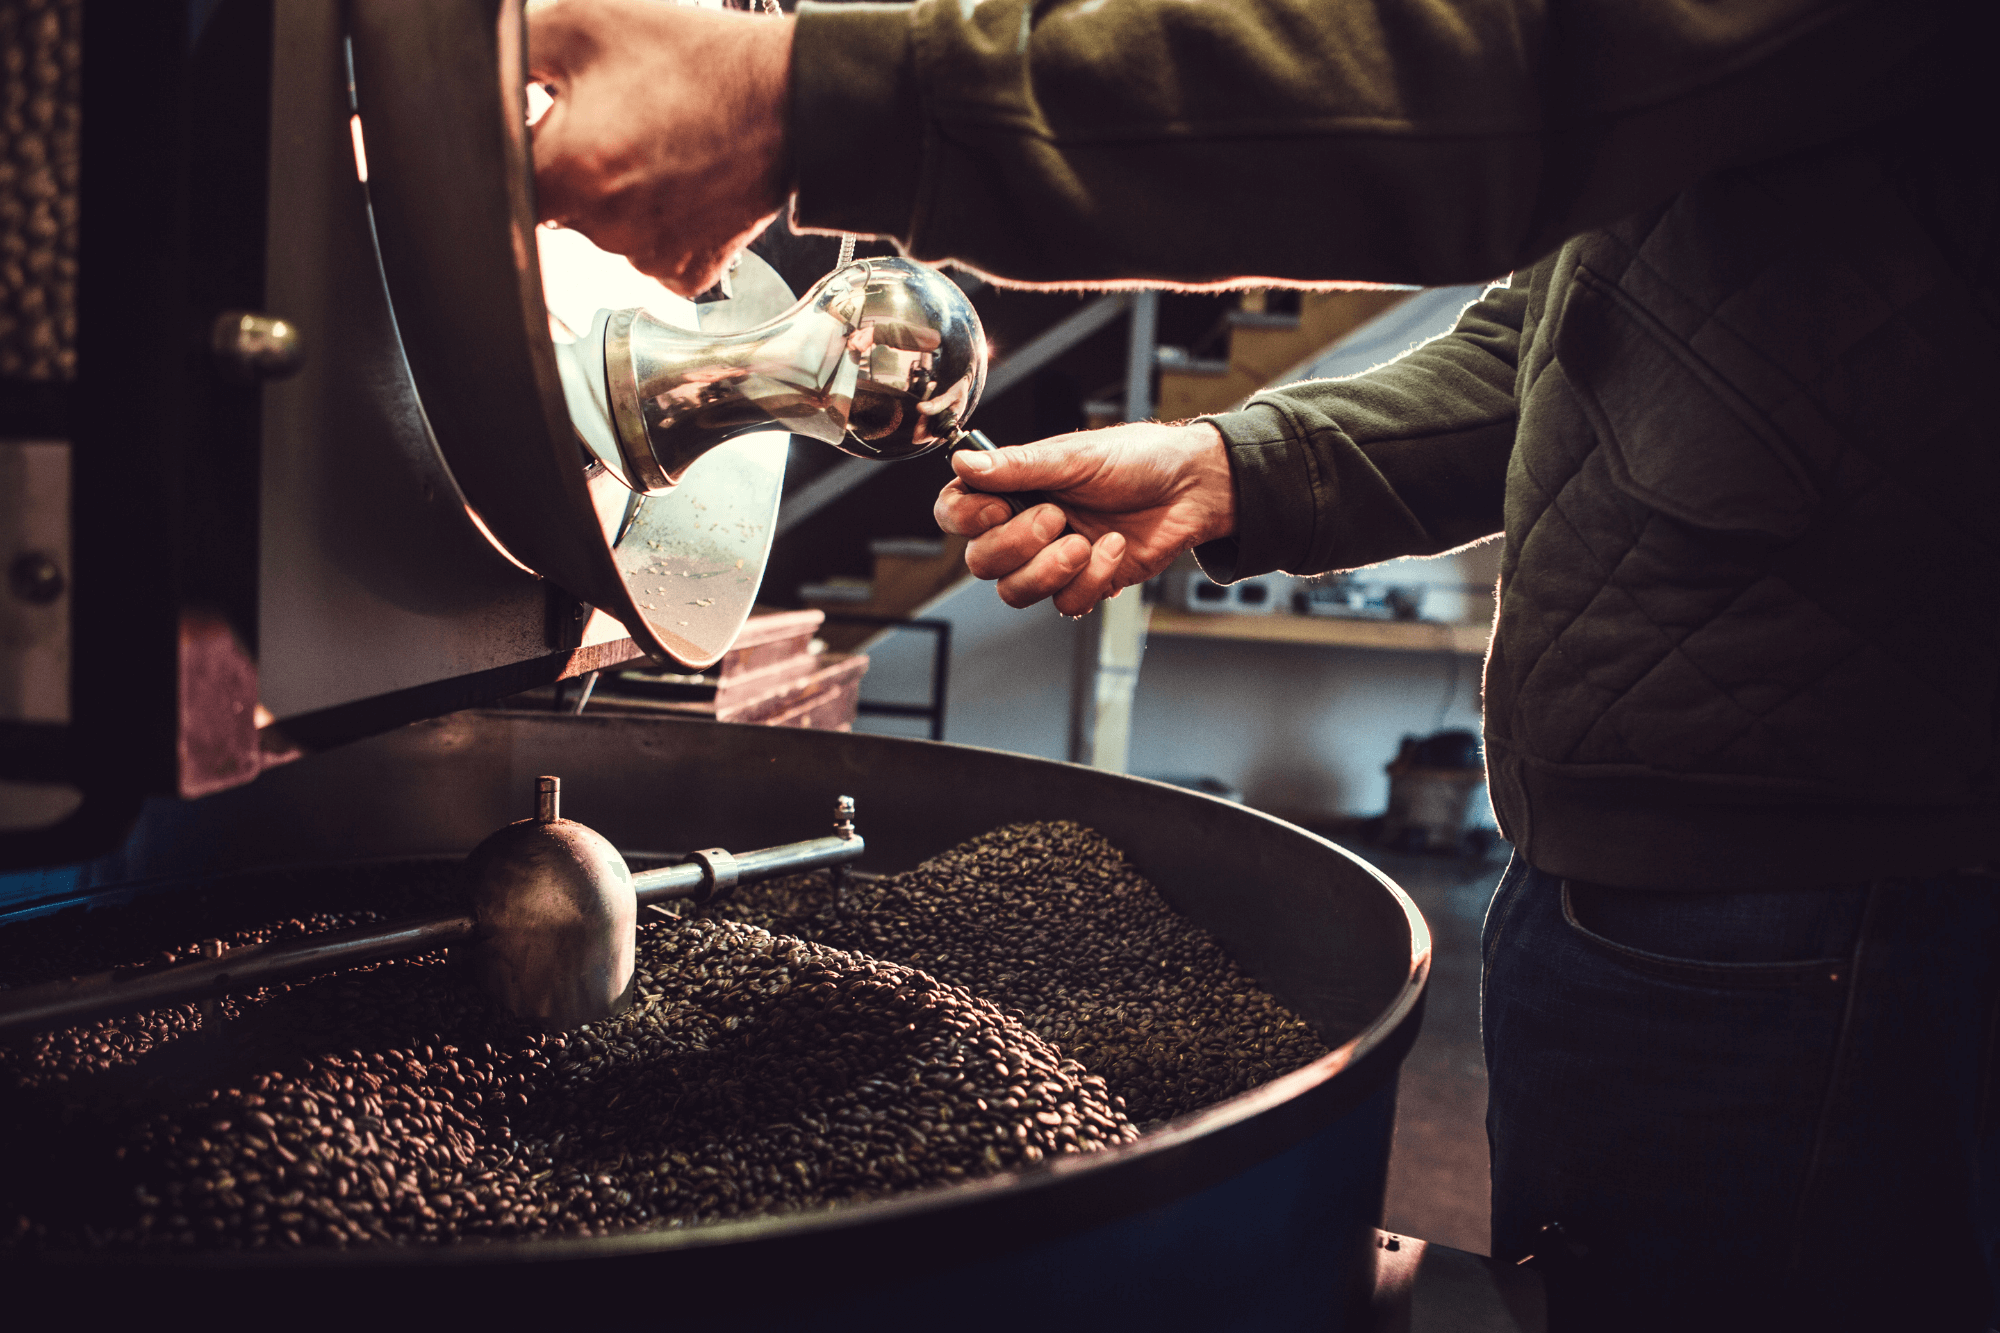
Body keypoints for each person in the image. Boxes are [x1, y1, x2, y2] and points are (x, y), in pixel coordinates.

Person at [526, 0, 1997, 1326]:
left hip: (1846, 892)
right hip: (1654, 857)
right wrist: (1243, 466)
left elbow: (1508, 69)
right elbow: (1572, 323)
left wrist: (823, 95)